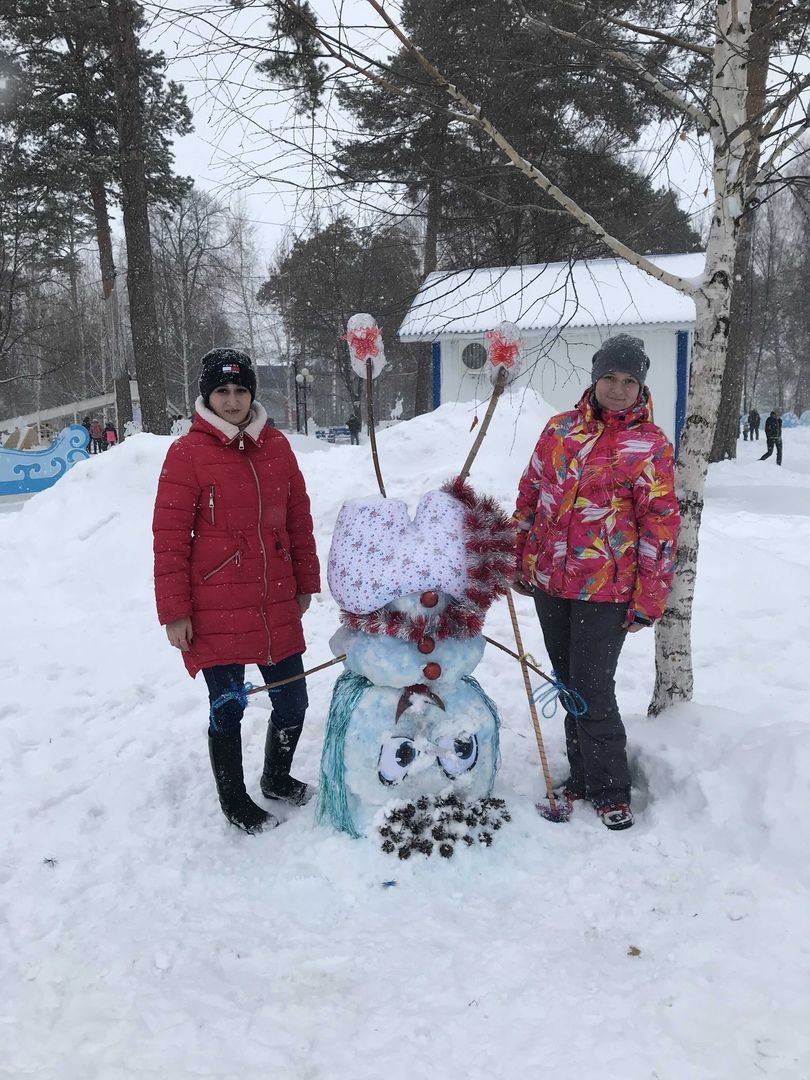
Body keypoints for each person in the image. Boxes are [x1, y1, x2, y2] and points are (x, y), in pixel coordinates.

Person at [512, 334, 680, 831]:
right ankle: (582, 776)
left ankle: (611, 788)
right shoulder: (560, 430)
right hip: (551, 584)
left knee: (593, 688)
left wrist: (651, 597)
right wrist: (520, 558)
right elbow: (531, 492)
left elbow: (661, 525)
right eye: (610, 377)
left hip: (606, 590)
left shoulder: (650, 445)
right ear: (595, 377)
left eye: (630, 381)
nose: (619, 388)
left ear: (641, 385)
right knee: (568, 685)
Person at [152, 348, 321, 834]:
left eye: (240, 390)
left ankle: (277, 776)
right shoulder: (187, 454)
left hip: (274, 599)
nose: (231, 400)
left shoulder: (278, 447)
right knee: (228, 706)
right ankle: (234, 800)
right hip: (214, 603)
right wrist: (174, 613)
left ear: (252, 393)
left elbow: (298, 521)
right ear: (208, 395)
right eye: (222, 391)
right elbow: (168, 540)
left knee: (293, 701)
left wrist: (305, 582)